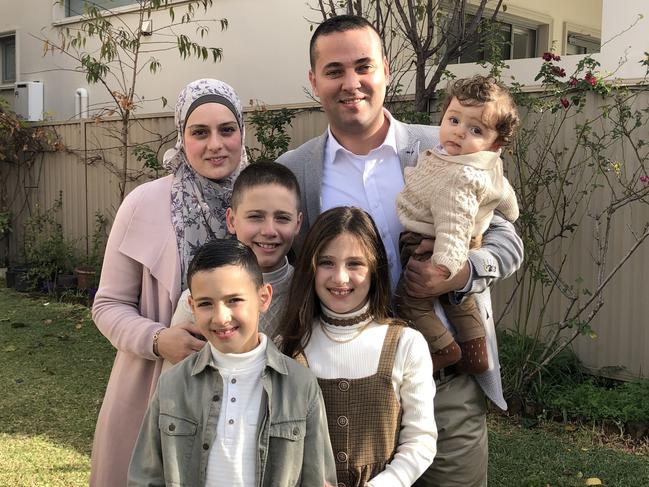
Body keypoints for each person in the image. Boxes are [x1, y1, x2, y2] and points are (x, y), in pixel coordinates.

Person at [278, 15, 524, 487]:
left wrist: (463, 271)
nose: (351, 83)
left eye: (363, 66)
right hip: (347, 391)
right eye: (334, 71)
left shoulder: (449, 146)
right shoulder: (295, 172)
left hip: (445, 382)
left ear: (386, 70)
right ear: (314, 81)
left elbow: (507, 238)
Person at [90, 78, 248, 486]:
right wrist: (160, 340)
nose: (216, 144)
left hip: (243, 395)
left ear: (242, 133)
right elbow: (108, 305)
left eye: (227, 130)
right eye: (200, 132)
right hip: (156, 388)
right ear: (182, 138)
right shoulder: (144, 204)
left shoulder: (261, 200)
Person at [128, 238, 337, 487]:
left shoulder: (301, 386)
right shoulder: (173, 384)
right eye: (206, 304)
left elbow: (318, 477)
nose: (221, 317)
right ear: (192, 307)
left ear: (263, 298)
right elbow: (145, 477)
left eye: (234, 300)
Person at [280, 206, 437, 487]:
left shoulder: (405, 344)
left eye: (355, 264)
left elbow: (421, 440)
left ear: (375, 268)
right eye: (327, 262)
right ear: (311, 268)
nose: (340, 278)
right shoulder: (290, 346)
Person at [395, 75, 520, 376]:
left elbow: (453, 223)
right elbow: (503, 192)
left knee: (410, 302)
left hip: (432, 247)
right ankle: (477, 354)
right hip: (457, 243)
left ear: (496, 143)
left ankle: (444, 349)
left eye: (475, 129)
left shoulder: (458, 177)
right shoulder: (484, 164)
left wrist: (448, 270)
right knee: (459, 302)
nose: (459, 133)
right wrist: (511, 210)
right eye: (453, 120)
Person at [163, 162, 303, 373]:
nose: (269, 230)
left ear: (298, 225)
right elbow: (174, 388)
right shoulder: (197, 300)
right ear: (231, 220)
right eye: (255, 217)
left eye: (282, 218)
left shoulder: (305, 293)